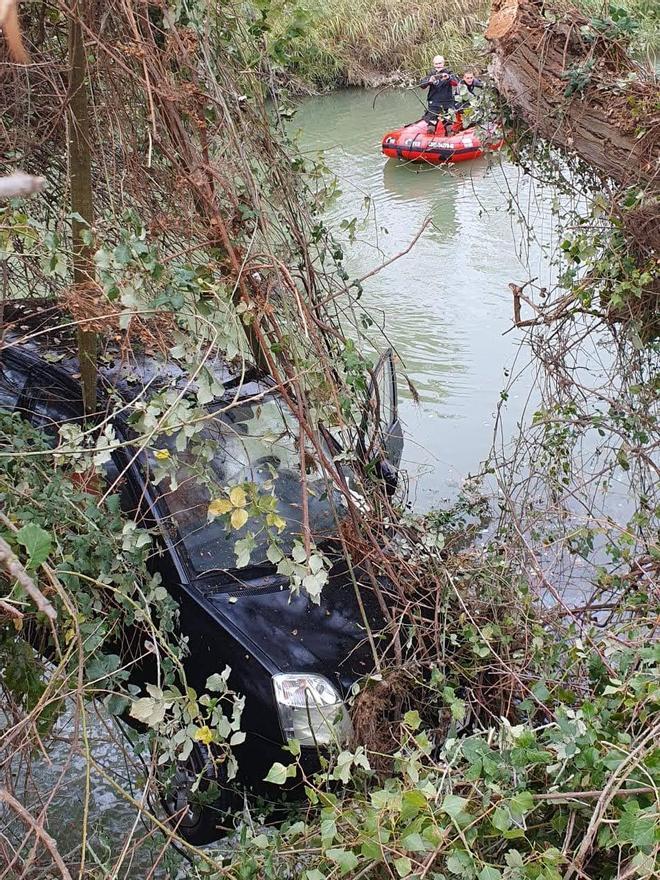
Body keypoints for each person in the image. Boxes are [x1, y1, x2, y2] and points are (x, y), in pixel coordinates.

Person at [419, 55, 458, 134]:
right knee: (431, 126)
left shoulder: (449, 72)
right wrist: (429, 81)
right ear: (433, 64)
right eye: (436, 64)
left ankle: (449, 139)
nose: (438, 66)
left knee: (449, 126)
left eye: (440, 63)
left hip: (447, 102)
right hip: (434, 102)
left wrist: (448, 78)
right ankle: (430, 142)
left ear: (443, 63)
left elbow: (456, 83)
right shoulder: (430, 73)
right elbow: (422, 86)